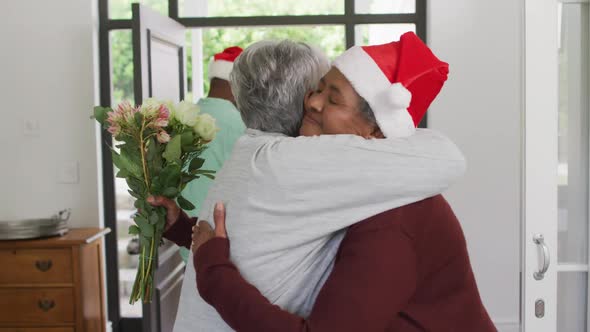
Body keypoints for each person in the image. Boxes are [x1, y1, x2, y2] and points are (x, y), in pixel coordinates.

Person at [152, 35, 467, 332]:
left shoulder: (391, 217)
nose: (312, 103)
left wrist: (212, 270)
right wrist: (187, 230)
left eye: (332, 99)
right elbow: (264, 233)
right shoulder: (320, 173)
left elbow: (449, 158)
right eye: (316, 89)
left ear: (375, 133)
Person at [178, 46, 246, 262]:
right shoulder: (239, 123)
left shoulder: (184, 116)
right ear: (238, 83)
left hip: (182, 230)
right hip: (217, 235)